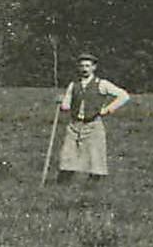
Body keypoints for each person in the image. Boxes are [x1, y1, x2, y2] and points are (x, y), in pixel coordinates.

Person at [55, 51, 129, 183]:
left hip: (93, 124)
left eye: (88, 66)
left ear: (94, 67)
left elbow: (123, 96)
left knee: (95, 156)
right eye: (82, 66)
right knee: (68, 155)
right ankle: (63, 185)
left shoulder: (102, 84)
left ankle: (93, 186)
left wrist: (107, 109)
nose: (84, 69)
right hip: (74, 125)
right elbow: (66, 105)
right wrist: (61, 102)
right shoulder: (73, 85)